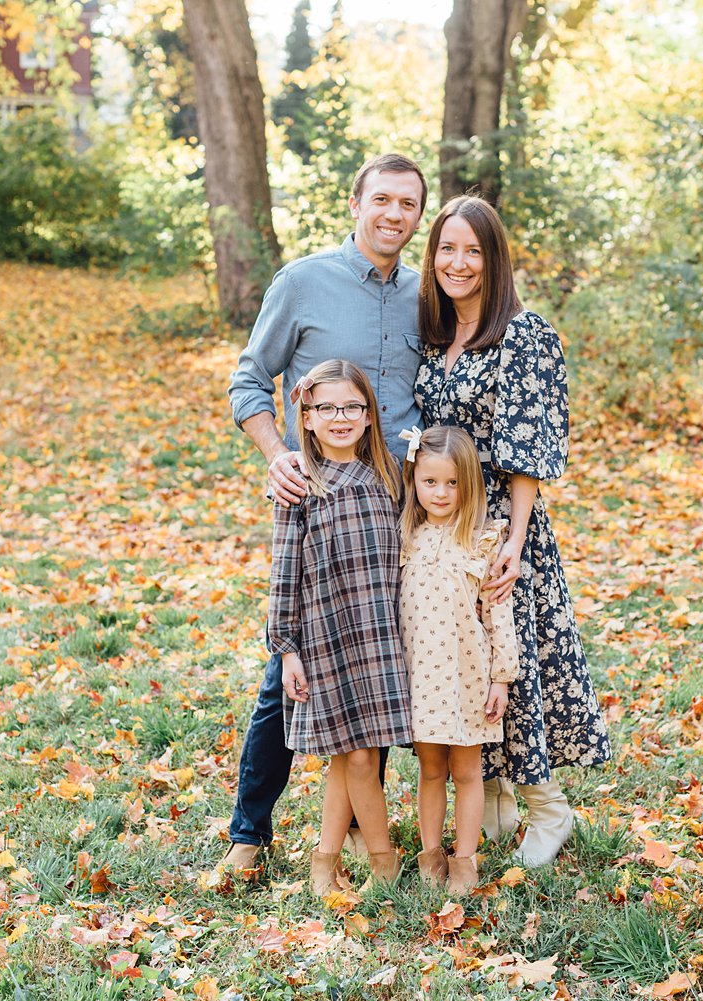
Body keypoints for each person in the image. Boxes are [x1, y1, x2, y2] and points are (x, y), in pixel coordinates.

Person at [220, 153, 428, 876]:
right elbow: (249, 375)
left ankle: (357, 833)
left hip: (401, 514)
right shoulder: (303, 282)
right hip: (318, 507)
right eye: (383, 200)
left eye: (409, 204)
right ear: (356, 203)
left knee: (384, 672)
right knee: (288, 676)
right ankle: (250, 831)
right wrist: (278, 451)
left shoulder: (422, 296)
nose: (395, 215)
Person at [414, 195, 611, 867]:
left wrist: (515, 546)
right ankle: (492, 796)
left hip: (499, 527)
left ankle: (549, 807)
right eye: (446, 247)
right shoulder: (439, 337)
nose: (458, 262)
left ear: (494, 259)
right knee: (462, 661)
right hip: (444, 533)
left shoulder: (524, 334)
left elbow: (527, 449)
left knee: (512, 664)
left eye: (472, 250)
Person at [270, 360, 412, 894]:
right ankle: (383, 862)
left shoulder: (389, 475)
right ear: (305, 418)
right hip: (327, 632)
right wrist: (287, 649)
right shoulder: (299, 484)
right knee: (354, 753)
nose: (340, 417)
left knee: (357, 752)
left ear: (370, 415)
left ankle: (324, 862)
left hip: (379, 629)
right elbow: (284, 571)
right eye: (325, 408)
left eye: (352, 406)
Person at [397, 424, 519, 895]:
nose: (441, 492)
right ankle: (431, 854)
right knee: (431, 769)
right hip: (420, 676)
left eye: (452, 483)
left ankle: (464, 858)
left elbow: (498, 615)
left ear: (469, 485)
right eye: (430, 482)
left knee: (468, 771)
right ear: (415, 482)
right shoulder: (406, 536)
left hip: (468, 674)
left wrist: (501, 679)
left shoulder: (485, 540)